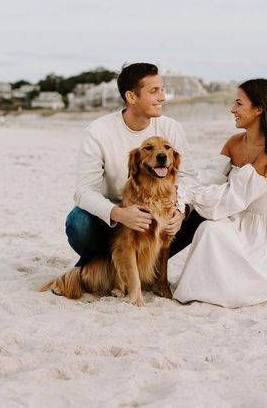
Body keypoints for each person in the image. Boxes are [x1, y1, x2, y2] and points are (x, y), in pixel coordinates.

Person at [172, 78, 267, 308]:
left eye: (239, 104)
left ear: (259, 109)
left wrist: (190, 197)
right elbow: (209, 179)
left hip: (265, 235)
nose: (233, 109)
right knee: (208, 228)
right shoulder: (234, 142)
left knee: (210, 228)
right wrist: (180, 196)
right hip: (238, 221)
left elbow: (232, 199)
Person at [65, 63, 203, 267]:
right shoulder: (98, 132)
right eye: (154, 91)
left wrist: (181, 212)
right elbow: (83, 192)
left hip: (161, 216)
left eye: (162, 90)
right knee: (79, 222)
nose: (162, 97)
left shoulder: (171, 128)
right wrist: (120, 214)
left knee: (202, 212)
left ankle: (148, 266)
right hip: (116, 219)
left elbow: (190, 178)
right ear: (131, 97)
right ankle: (107, 263)